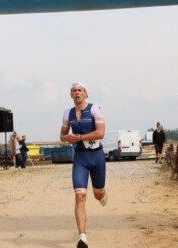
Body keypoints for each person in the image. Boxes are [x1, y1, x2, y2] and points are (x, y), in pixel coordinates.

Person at [60, 82, 107, 248]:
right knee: (80, 196)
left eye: (80, 90)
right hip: (80, 159)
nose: (77, 93)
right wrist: (68, 138)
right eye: (74, 91)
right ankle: (82, 237)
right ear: (70, 95)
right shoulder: (68, 113)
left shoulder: (94, 109)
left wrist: (79, 137)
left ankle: (102, 194)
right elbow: (62, 136)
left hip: (97, 158)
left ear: (85, 93)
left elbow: (100, 133)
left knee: (98, 194)